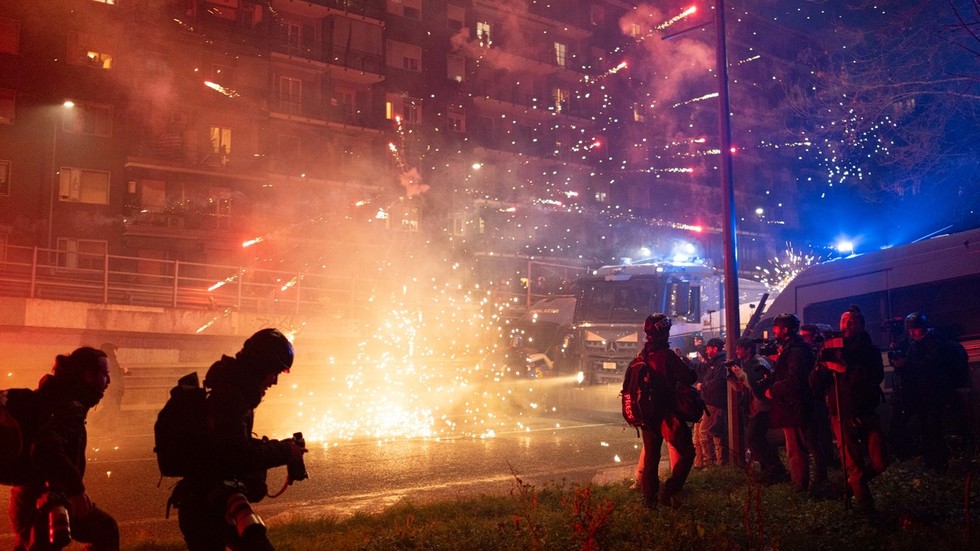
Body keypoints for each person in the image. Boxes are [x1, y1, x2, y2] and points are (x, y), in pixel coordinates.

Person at [172, 329, 307, 551]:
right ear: (260, 366)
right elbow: (238, 456)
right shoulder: (230, 397)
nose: (274, 381)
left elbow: (233, 444)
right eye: (274, 373)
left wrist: (281, 447)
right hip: (207, 508)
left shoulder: (234, 392)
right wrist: (285, 452)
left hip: (215, 502)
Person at [8, 347, 120, 551]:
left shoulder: (55, 396)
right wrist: (76, 490)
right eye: (105, 374)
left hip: (33, 497)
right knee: (106, 530)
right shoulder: (69, 406)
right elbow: (45, 446)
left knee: (105, 529)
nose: (109, 381)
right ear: (88, 376)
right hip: (44, 501)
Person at [811, 306, 888, 511]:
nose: (846, 325)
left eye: (851, 322)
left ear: (861, 325)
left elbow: (875, 377)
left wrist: (845, 369)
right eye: (843, 321)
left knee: (880, 461)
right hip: (841, 413)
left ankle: (853, 484)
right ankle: (868, 514)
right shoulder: (831, 348)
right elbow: (815, 384)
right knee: (855, 466)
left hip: (866, 410)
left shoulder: (869, 350)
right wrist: (822, 366)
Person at [628, 313, 697, 508]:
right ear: (664, 332)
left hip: (647, 416)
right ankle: (669, 492)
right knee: (688, 453)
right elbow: (689, 377)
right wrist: (686, 362)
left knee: (652, 457)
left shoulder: (641, 355)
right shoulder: (667, 356)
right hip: (667, 414)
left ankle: (649, 501)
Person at [890, 312, 950, 472]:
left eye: (914, 329)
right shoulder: (914, 342)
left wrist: (907, 364)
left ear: (922, 327)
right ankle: (930, 461)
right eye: (909, 329)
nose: (911, 332)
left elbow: (932, 365)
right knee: (925, 427)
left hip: (934, 392)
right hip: (921, 392)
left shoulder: (933, 341)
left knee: (934, 427)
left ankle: (940, 462)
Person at [766, 313, 816, 492]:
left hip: (794, 406)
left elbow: (794, 380)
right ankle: (800, 483)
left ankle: (799, 486)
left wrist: (773, 389)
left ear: (785, 329)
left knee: (796, 448)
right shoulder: (793, 348)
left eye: (776, 327)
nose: (774, 331)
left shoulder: (796, 351)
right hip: (792, 405)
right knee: (794, 447)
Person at [728, 338, 787, 483]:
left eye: (739, 348)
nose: (736, 351)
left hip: (762, 406)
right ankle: (769, 470)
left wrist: (742, 376)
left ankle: (776, 469)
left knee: (754, 436)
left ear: (748, 349)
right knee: (756, 438)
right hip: (755, 407)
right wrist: (732, 376)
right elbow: (741, 387)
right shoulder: (750, 363)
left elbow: (758, 387)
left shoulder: (756, 363)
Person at [695, 338, 728, 466]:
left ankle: (710, 463)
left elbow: (719, 382)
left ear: (715, 348)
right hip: (709, 402)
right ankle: (717, 462)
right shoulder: (714, 362)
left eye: (708, 348)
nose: (706, 351)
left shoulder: (721, 363)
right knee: (714, 433)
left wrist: (703, 386)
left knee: (705, 432)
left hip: (715, 403)